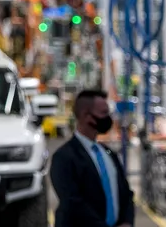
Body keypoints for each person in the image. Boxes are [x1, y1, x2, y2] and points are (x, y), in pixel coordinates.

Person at [50, 89, 134, 227]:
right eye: (104, 113)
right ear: (86, 116)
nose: (109, 119)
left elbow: (126, 193)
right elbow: (73, 203)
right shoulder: (64, 158)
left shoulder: (108, 153)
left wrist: (127, 222)